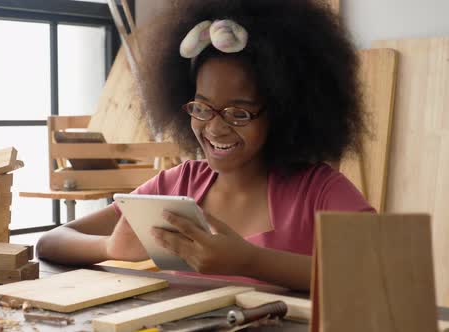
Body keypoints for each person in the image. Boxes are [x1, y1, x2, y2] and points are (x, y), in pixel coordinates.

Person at [37, 0, 374, 291]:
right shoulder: (178, 185)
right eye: (201, 107)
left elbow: (376, 271)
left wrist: (251, 261)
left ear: (285, 112)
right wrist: (109, 246)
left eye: (238, 112)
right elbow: (51, 241)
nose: (214, 127)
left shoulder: (318, 191)